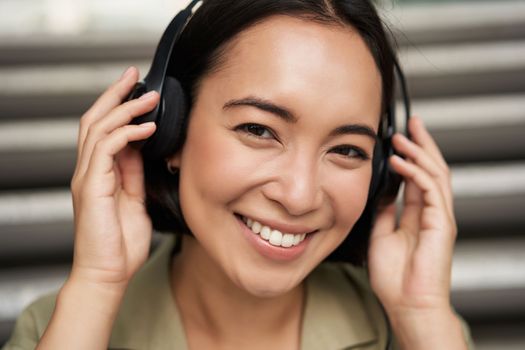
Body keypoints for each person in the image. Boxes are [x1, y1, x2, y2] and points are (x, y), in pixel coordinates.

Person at [3, 0, 474, 349]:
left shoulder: (415, 332)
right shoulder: (57, 329)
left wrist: (422, 316)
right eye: (258, 129)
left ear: (379, 174)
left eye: (348, 149)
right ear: (169, 131)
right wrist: (98, 285)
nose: (299, 195)